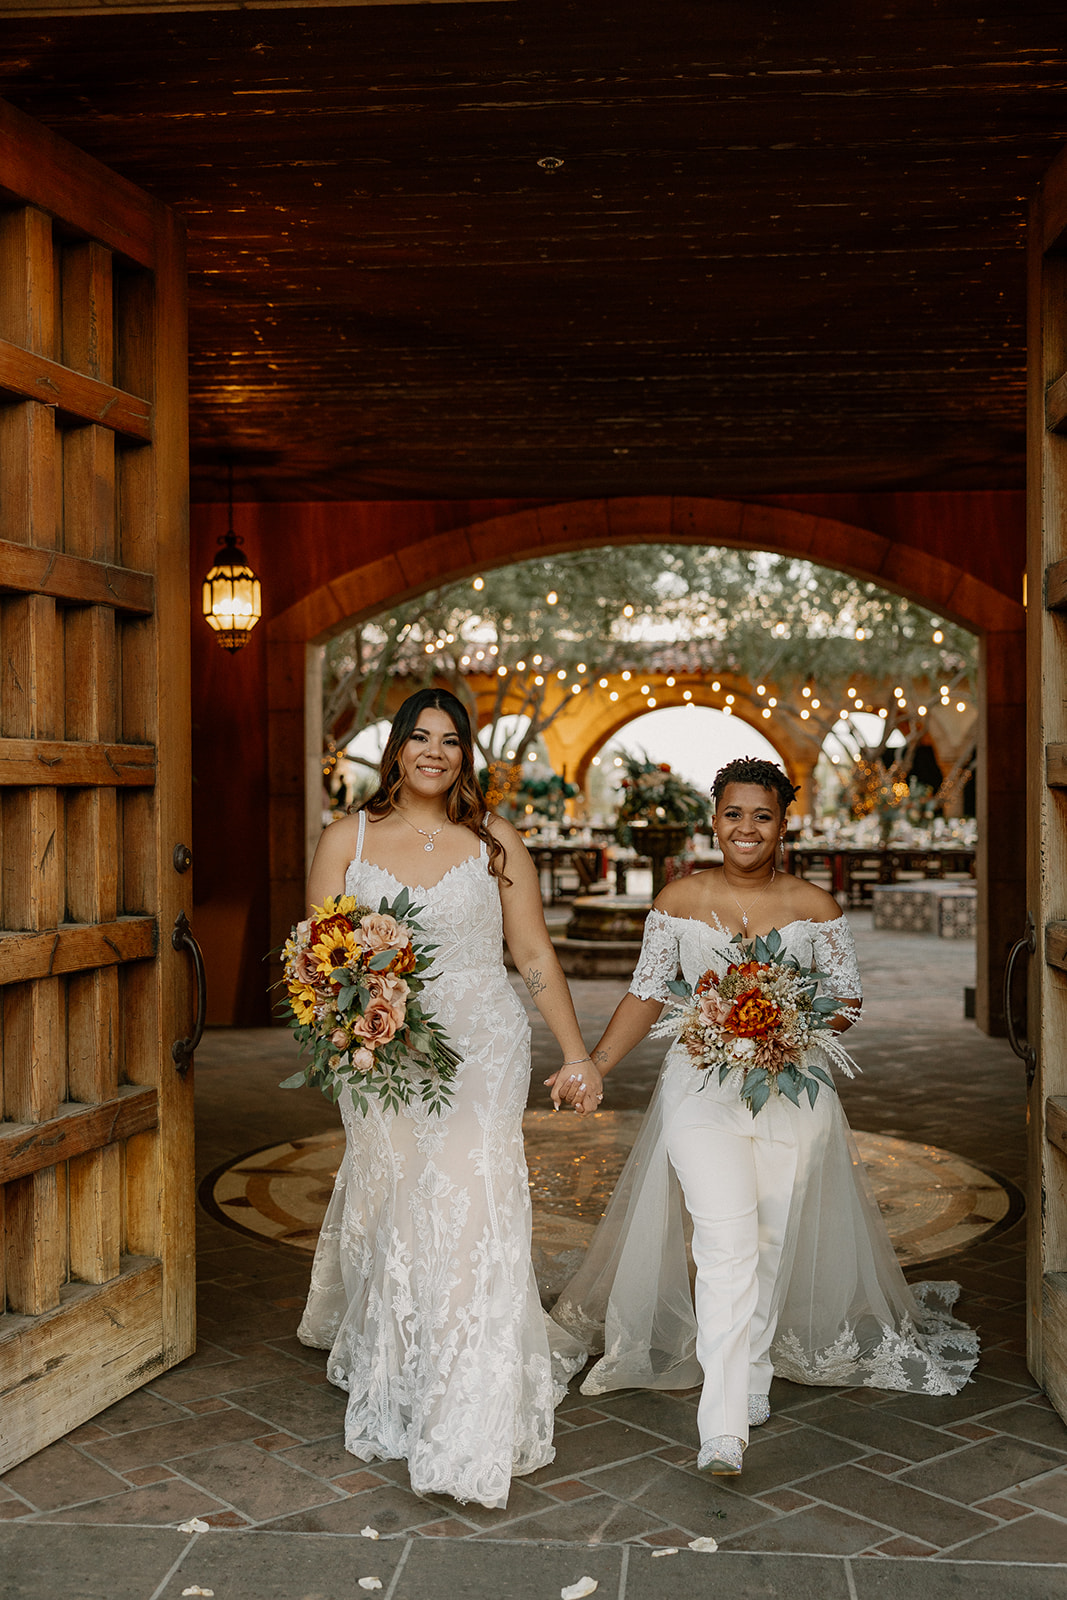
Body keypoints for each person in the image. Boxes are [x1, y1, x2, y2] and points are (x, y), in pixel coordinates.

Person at [549, 755, 978, 1476]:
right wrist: (593, 1064)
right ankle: (721, 1429)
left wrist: (784, 1019)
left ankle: (748, 1374)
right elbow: (646, 993)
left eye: (762, 816)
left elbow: (847, 1002)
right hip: (698, 1090)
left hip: (792, 1091)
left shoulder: (816, 906)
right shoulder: (679, 898)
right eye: (733, 814)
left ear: (783, 824)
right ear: (713, 820)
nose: (745, 828)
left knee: (770, 1240)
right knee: (723, 1240)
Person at [297, 688, 589, 1508]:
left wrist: (574, 1051)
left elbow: (530, 951)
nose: (435, 751)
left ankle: (470, 1395)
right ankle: (411, 1360)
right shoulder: (345, 838)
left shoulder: (493, 838)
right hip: (382, 1049)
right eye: (419, 737)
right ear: (394, 749)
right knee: (399, 1199)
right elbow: (318, 958)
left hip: (482, 1043)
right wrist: (355, 1025)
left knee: (473, 1198)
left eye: (451, 740)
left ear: (466, 754)